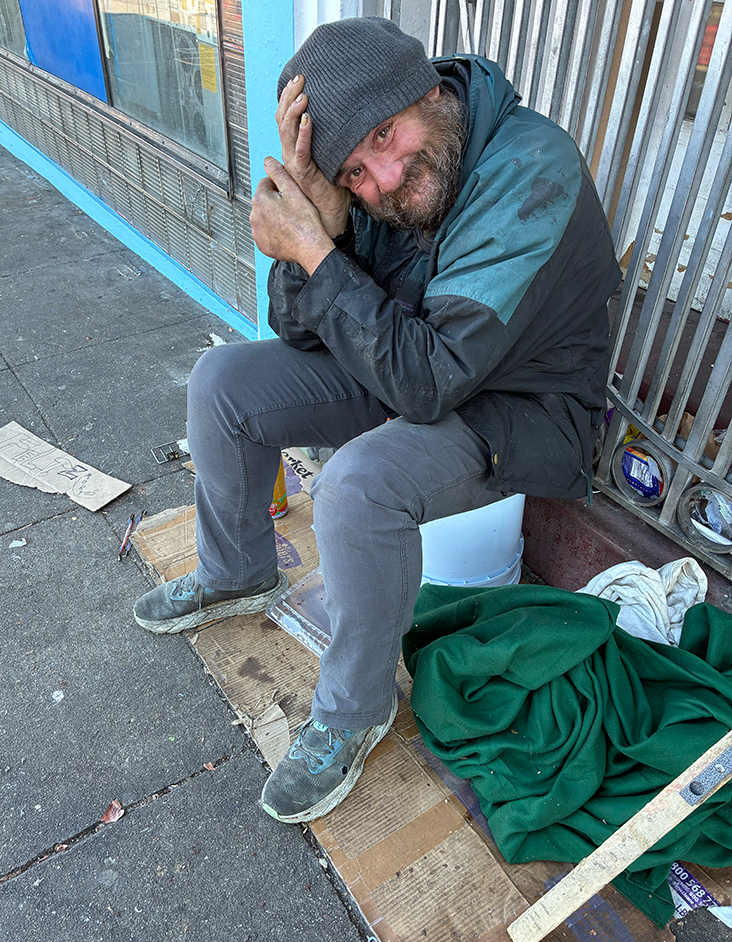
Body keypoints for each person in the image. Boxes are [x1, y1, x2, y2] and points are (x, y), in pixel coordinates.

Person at [132, 17, 621, 824]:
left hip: (520, 408)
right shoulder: (379, 183)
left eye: (386, 136)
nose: (385, 178)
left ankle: (353, 713)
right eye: (354, 170)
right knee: (223, 379)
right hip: (413, 363)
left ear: (429, 89)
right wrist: (315, 232)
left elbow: (432, 382)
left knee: (357, 486)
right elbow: (302, 330)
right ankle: (236, 571)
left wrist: (322, 258)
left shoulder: (532, 168)